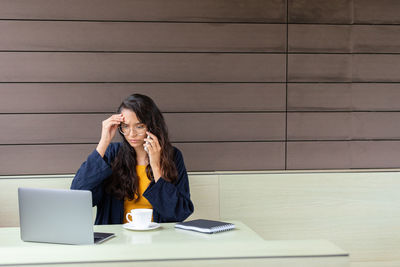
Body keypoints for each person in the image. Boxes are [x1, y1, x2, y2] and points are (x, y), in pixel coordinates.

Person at [71, 94, 194, 225]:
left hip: (158, 238)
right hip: (116, 239)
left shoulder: (173, 156)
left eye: (139, 126)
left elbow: (180, 213)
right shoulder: (112, 153)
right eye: (125, 126)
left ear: (152, 126)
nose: (131, 134)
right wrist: (104, 141)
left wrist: (156, 166)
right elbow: (78, 194)